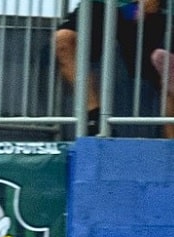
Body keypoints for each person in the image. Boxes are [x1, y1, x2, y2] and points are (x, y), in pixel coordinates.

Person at [55, 0, 171, 136]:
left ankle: (170, 143)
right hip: (105, 4)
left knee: (168, 73)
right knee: (64, 39)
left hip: (154, 8)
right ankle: (95, 120)